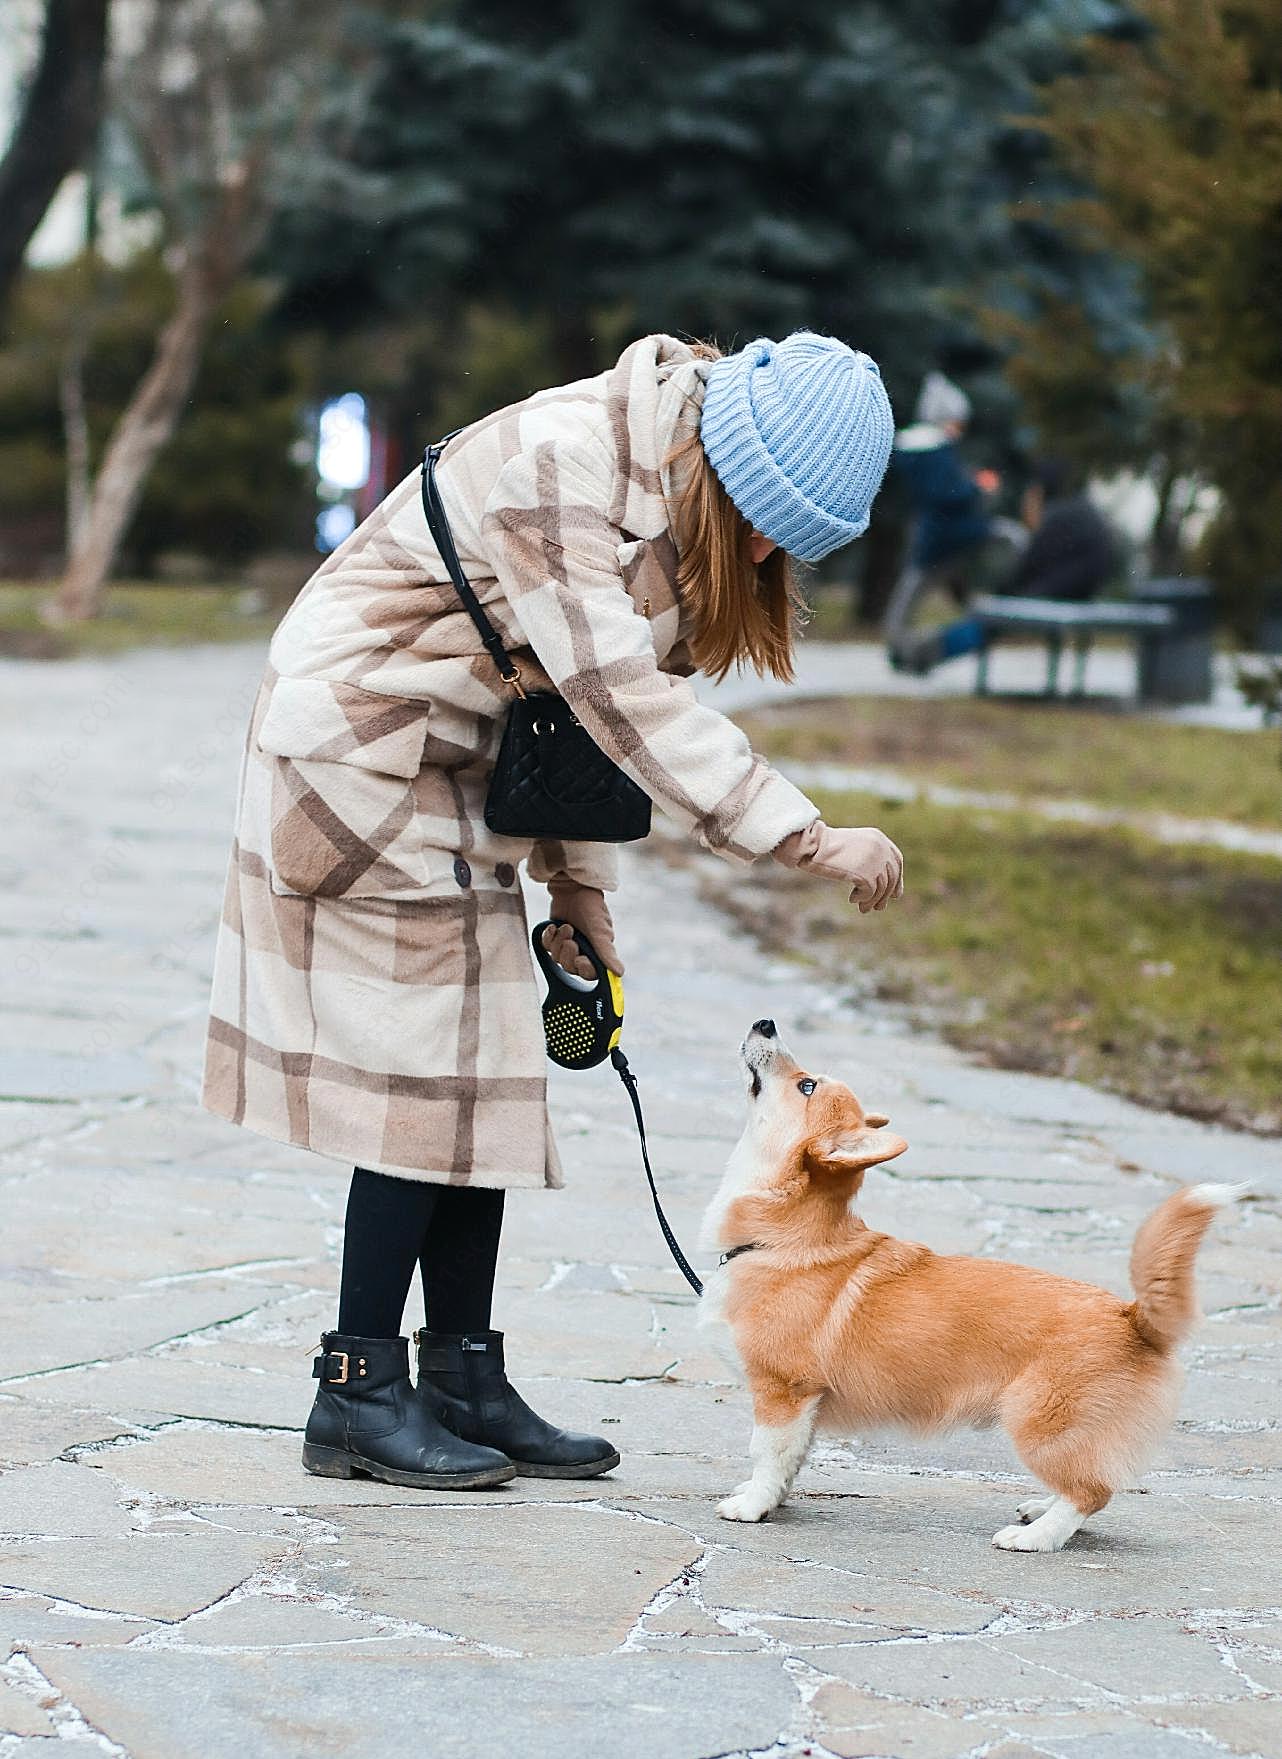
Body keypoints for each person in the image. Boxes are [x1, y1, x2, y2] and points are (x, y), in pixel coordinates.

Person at [201, 330, 905, 1492]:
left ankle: (461, 1375)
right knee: (419, 1084)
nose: (773, 551)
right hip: (359, 760)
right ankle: (357, 1392)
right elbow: (616, 694)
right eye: (771, 521)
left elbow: (583, 720)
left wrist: (578, 887)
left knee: (486, 1077)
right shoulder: (560, 463)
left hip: (458, 766)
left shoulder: (674, 497)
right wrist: (804, 833)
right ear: (729, 466)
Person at [892, 455, 1117, 674]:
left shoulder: (1060, 517)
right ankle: (926, 652)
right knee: (993, 620)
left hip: (1055, 596)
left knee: (990, 623)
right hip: (1075, 595)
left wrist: (1002, 595)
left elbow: (1031, 564)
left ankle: (924, 654)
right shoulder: (1079, 511)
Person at [883, 371, 995, 660]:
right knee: (919, 588)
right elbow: (946, 493)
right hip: (947, 535)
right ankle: (904, 645)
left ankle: (903, 643)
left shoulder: (920, 449)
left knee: (915, 589)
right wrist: (976, 487)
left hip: (938, 533)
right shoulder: (935, 451)